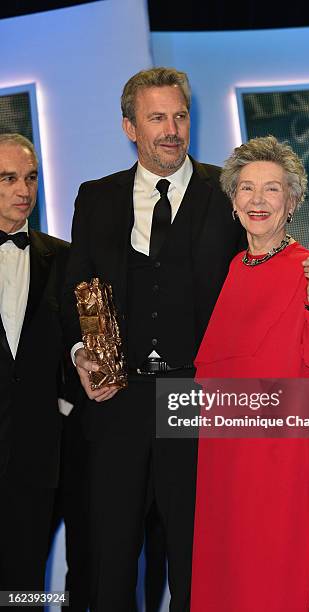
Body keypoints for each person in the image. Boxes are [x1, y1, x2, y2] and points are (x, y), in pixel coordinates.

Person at [61, 67, 245, 611]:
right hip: (119, 402)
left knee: (197, 557)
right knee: (111, 559)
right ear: (128, 127)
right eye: (157, 117)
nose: (172, 129)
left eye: (180, 116)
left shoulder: (229, 190)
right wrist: (81, 354)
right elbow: (76, 285)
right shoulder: (95, 197)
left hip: (199, 401)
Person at [190, 135, 309, 611]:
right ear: (233, 200)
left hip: (279, 454)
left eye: (272, 189)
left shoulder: (307, 269)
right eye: (247, 189)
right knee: (224, 569)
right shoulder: (236, 265)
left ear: (293, 201)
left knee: (271, 570)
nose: (258, 200)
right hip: (223, 452)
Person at [0, 134, 70, 594]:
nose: (24, 190)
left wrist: (61, 411)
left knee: (25, 584)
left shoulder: (64, 259)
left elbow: (80, 348)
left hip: (37, 456)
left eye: (30, 178)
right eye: (8, 179)